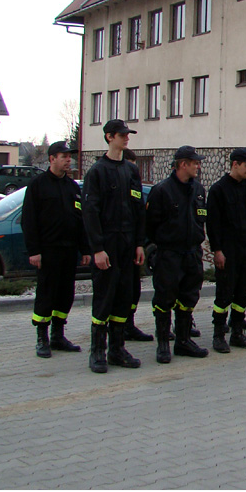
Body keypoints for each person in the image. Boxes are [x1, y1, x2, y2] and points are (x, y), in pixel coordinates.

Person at [82, 120, 146, 373]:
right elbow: (90, 213)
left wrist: (139, 243)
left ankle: (117, 349)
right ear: (109, 137)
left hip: (128, 245)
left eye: (127, 134)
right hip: (107, 245)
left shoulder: (131, 171)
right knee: (105, 298)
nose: (126, 138)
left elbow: (138, 209)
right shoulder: (97, 171)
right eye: (122, 134)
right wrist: (97, 248)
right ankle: (97, 351)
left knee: (124, 297)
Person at [22, 141, 91, 358]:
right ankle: (42, 338)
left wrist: (85, 249)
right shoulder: (38, 185)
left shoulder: (71, 187)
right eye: (64, 157)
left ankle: (58, 335)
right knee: (46, 293)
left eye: (69, 157)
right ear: (52, 159)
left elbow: (80, 220)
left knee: (65, 294)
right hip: (48, 250)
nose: (68, 160)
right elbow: (29, 220)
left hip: (69, 250)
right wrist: (34, 251)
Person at [146, 145, 210, 363]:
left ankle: (183, 341)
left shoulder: (199, 190)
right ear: (183, 164)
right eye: (195, 163)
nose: (198, 166)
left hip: (192, 254)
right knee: (164, 299)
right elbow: (151, 227)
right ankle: (163, 343)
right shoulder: (162, 191)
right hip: (169, 255)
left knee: (189, 297)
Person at [207, 148, 246, 353]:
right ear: (235, 164)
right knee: (224, 295)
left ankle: (237, 332)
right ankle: (219, 334)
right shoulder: (219, 189)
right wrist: (217, 250)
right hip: (228, 251)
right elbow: (213, 225)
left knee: (242, 294)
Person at [121, 148, 154, 343]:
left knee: (133, 289)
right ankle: (116, 328)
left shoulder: (135, 188)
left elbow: (141, 216)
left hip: (134, 246)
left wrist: (140, 243)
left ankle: (129, 325)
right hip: (116, 246)